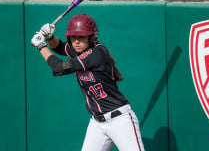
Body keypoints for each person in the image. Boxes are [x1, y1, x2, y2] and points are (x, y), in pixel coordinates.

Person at [31, 13, 145, 151]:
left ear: (91, 37)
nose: (76, 41)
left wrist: (41, 46)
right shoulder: (81, 50)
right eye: (73, 37)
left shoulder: (96, 53)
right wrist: (50, 38)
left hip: (119, 120)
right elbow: (60, 47)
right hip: (97, 123)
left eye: (81, 37)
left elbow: (59, 68)